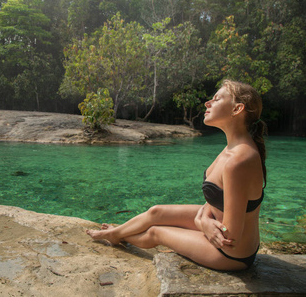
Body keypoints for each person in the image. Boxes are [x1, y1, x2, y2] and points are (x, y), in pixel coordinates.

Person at [86, 79, 267, 271]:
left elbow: (230, 236)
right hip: (215, 223)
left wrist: (201, 222)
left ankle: (115, 235)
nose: (208, 103)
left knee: (156, 232)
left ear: (237, 109)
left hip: (230, 253)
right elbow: (218, 200)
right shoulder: (231, 148)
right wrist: (204, 218)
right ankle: (117, 233)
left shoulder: (239, 161)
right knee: (156, 212)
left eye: (217, 99)